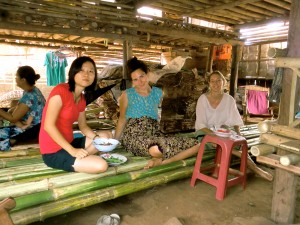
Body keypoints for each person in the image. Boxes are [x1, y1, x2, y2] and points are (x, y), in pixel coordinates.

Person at [114, 56, 200, 168]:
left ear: (148, 74)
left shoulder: (158, 93)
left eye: (142, 76)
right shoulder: (127, 94)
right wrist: (114, 142)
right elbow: (122, 119)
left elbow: (160, 114)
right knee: (156, 150)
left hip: (155, 133)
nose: (140, 82)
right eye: (135, 79)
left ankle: (164, 162)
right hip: (134, 136)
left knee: (197, 145)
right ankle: (160, 156)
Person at [195, 70, 273, 181]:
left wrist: (239, 134)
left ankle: (253, 169)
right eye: (212, 81)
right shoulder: (203, 99)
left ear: (224, 82)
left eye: (218, 81)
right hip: (205, 132)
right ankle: (256, 169)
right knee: (230, 147)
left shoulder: (229, 99)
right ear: (209, 84)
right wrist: (214, 135)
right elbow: (200, 124)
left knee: (233, 145)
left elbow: (235, 120)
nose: (215, 84)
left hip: (222, 132)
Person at [39, 56, 112, 174]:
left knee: (106, 136)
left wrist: (97, 139)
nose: (86, 74)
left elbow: (83, 127)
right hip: (53, 150)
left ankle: (82, 157)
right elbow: (48, 126)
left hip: (69, 142)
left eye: (90, 71)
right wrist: (72, 151)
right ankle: (79, 158)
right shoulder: (61, 91)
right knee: (101, 165)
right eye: (82, 70)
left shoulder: (82, 99)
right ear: (73, 72)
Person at [0, 66, 46, 151]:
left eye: (16, 76)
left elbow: (13, 119)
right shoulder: (33, 90)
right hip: (37, 126)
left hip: (32, 130)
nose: (15, 79)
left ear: (23, 80)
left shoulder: (29, 97)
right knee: (12, 106)